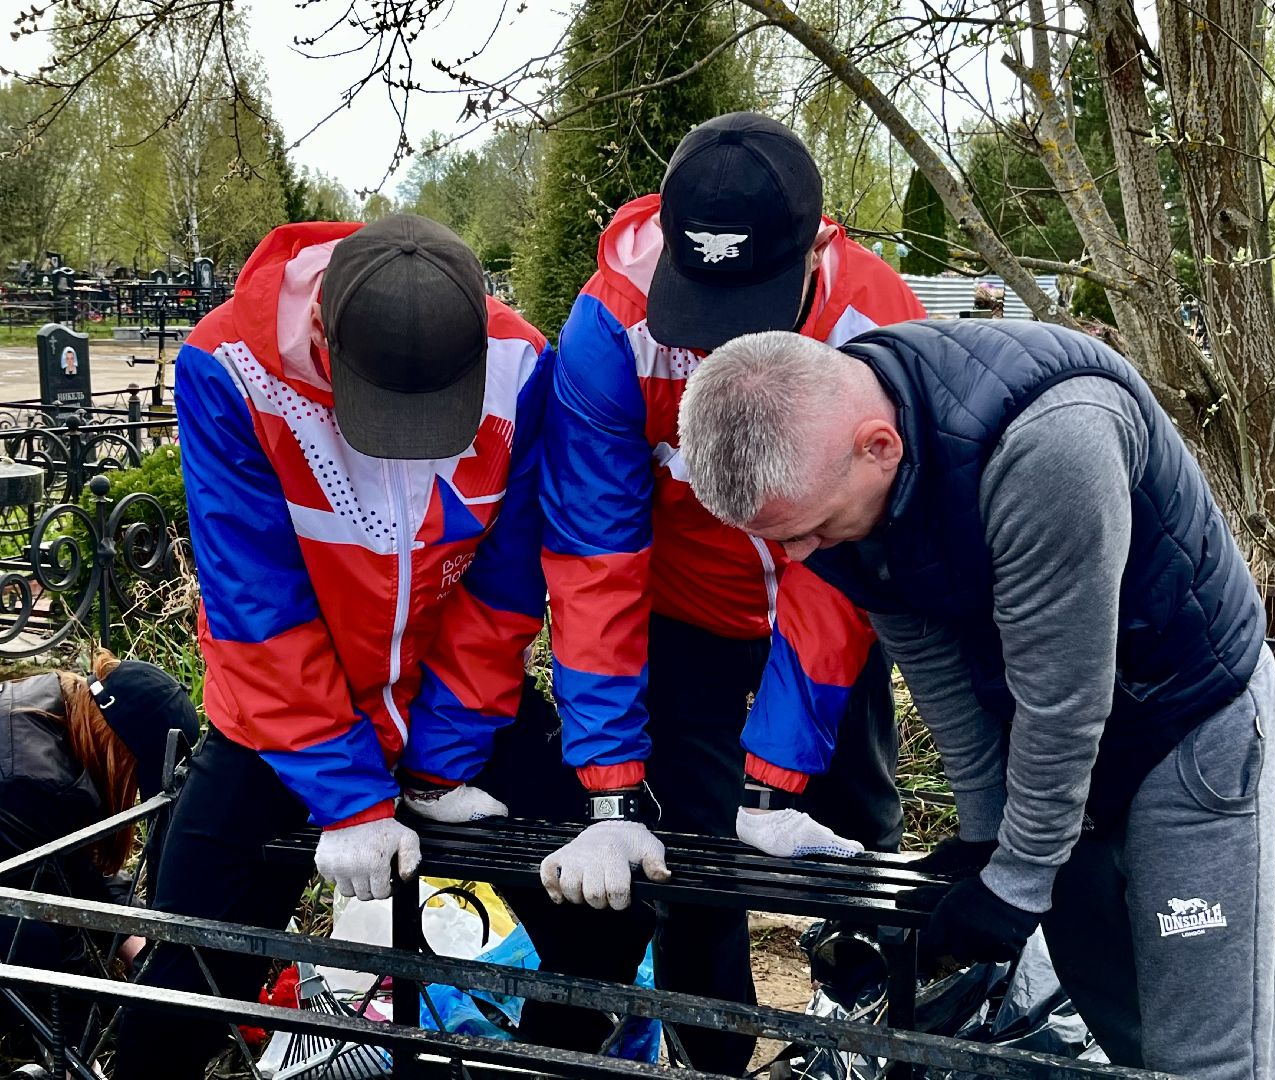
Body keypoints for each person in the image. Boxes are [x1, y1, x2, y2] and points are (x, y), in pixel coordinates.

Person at [676, 320, 1275, 1080]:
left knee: (1202, 1045)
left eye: (809, 531)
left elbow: (1065, 697)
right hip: (1049, 732)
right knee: (1116, 1004)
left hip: (1184, 721)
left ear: (880, 446)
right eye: (780, 541)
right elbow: (932, 659)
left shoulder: (1050, 443)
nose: (799, 557)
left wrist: (1019, 877)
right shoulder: (844, 494)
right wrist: (986, 834)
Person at [109, 215, 556, 1079]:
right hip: (283, 719)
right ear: (323, 330)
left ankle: (564, 1059)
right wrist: (351, 797)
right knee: (193, 964)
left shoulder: (521, 363)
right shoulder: (229, 366)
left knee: (602, 915)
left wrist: (441, 761)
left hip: (451, 699)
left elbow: (502, 586)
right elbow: (257, 606)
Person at [537, 111, 925, 1074]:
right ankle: (710, 1051)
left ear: (815, 248)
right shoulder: (606, 325)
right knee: (688, 851)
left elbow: (847, 566)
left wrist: (776, 776)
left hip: (830, 581)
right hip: (683, 603)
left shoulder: (876, 322)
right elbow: (594, 557)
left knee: (855, 822)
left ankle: (864, 1023)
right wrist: (609, 789)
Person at [0, 653, 199, 1033]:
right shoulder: (37, 783)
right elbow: (55, 918)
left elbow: (77, 871)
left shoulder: (55, 703)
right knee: (32, 943)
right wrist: (87, 1041)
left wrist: (140, 942)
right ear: (122, 755)